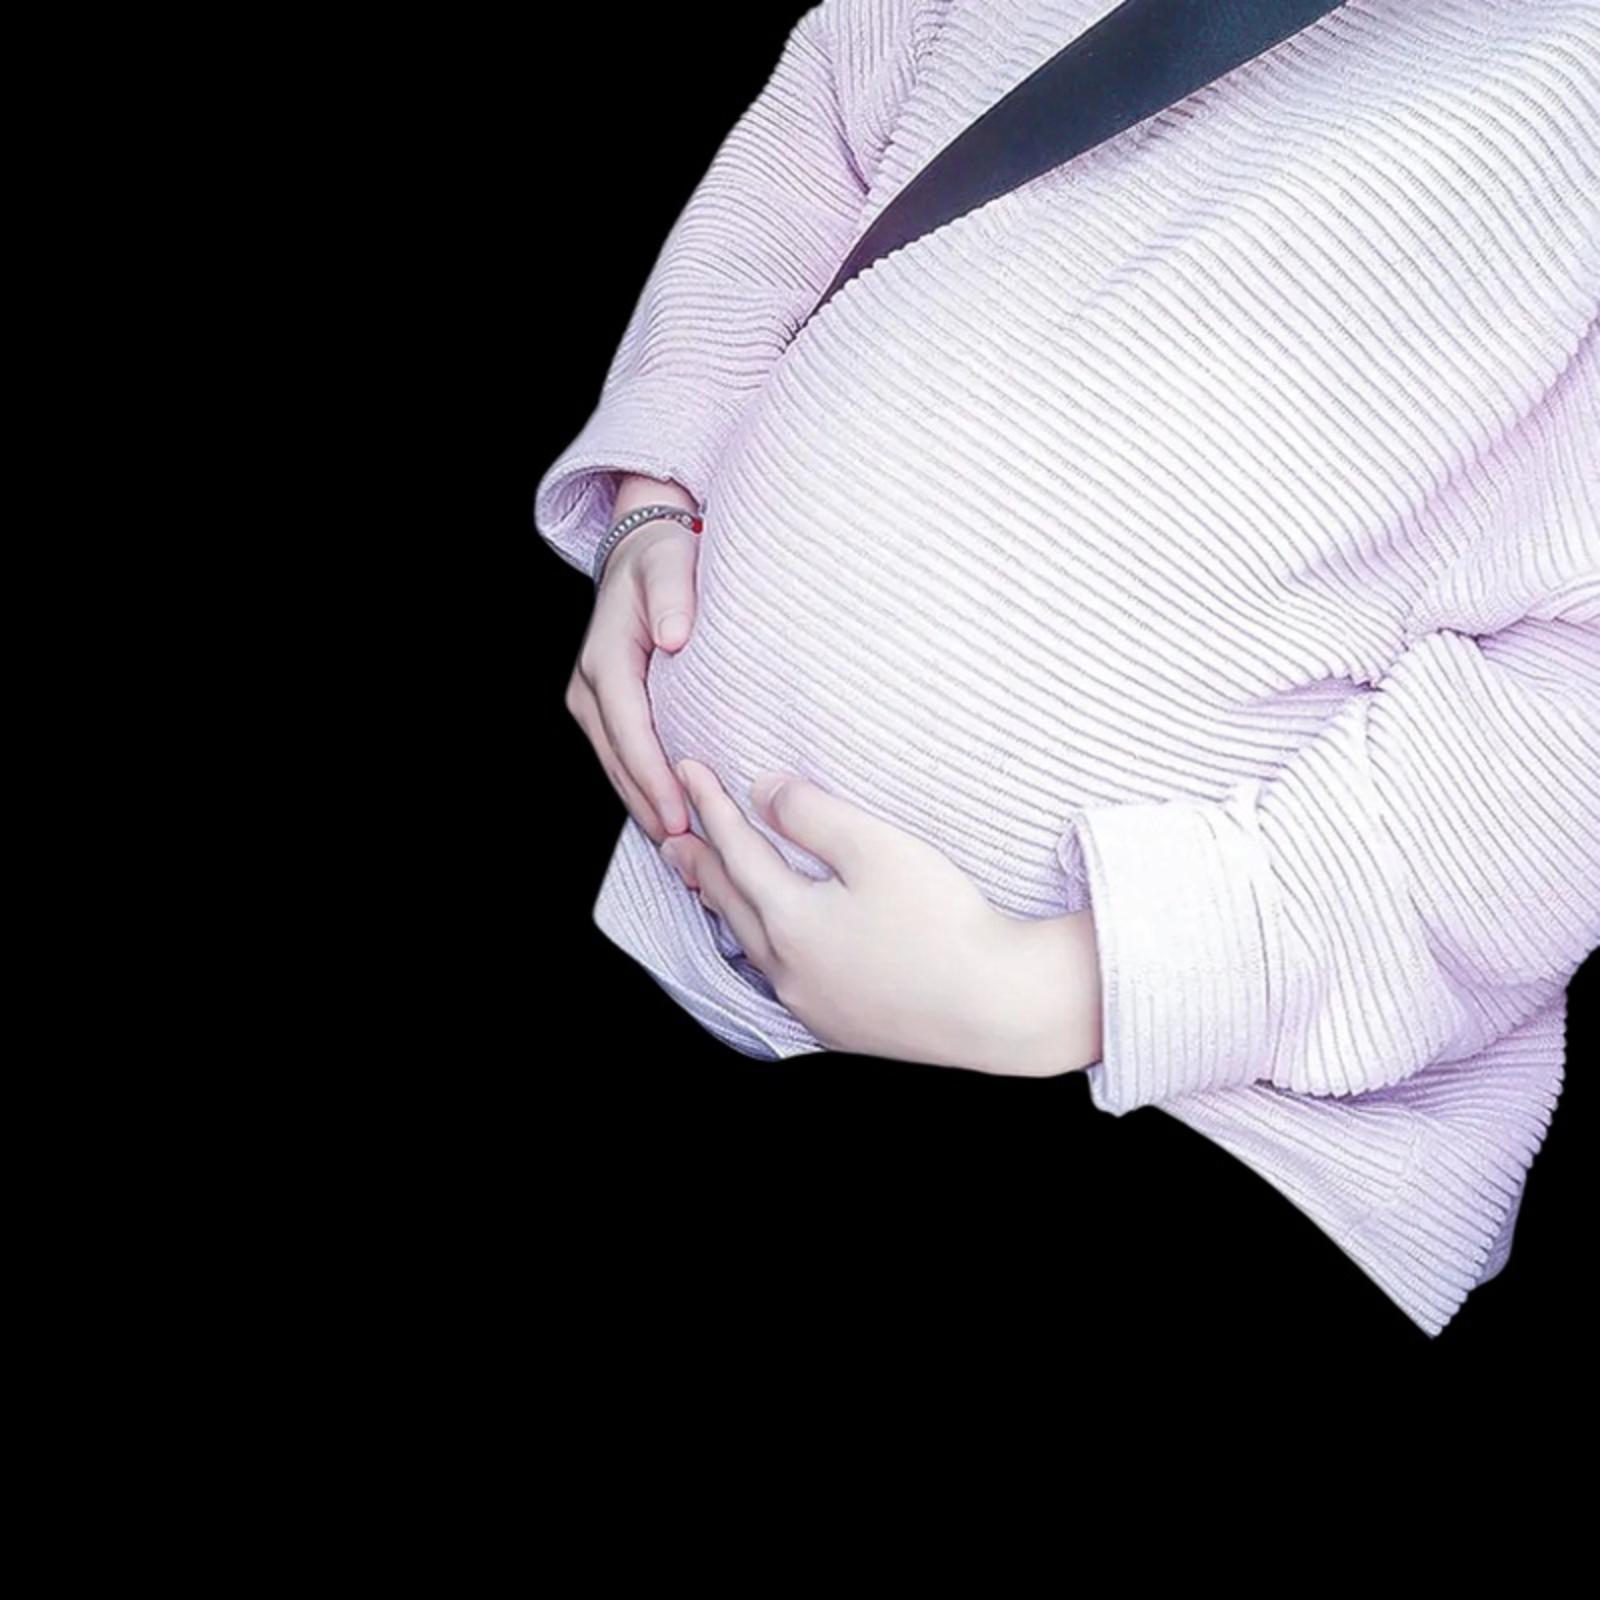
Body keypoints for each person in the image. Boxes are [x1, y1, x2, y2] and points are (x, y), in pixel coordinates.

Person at [534, 0, 1600, 1336]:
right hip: (669, 893)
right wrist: (655, 487)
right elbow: (832, 120)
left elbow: (1569, 744)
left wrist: (1053, 989)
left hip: (1184, 1108)